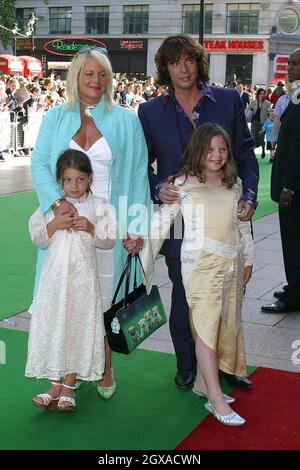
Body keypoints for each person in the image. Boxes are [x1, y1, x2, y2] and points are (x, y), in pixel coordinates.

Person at [138, 34, 258, 390]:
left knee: (227, 292)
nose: (183, 68)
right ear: (165, 68)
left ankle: (224, 365)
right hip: (179, 220)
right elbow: (140, 166)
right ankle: (188, 364)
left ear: (198, 62)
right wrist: (158, 186)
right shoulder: (149, 111)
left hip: (224, 214)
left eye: (189, 59)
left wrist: (249, 195)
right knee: (184, 293)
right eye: (175, 62)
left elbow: (247, 154)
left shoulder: (227, 100)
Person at [31, 45, 150, 400]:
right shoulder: (55, 117)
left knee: (104, 300)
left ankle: (103, 365)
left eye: (102, 74)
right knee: (68, 299)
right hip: (66, 227)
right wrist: (56, 205)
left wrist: (136, 226)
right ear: (76, 77)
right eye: (88, 74)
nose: (96, 81)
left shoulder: (127, 119)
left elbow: (138, 175)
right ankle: (65, 376)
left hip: (105, 224)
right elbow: (39, 165)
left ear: (110, 79)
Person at [141, 123, 254, 425]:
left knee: (221, 326)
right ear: (198, 150)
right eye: (210, 149)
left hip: (230, 264)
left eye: (222, 149)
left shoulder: (234, 183)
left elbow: (241, 225)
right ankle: (216, 401)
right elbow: (161, 223)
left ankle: (203, 384)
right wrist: (143, 254)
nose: (216, 155)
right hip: (200, 266)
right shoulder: (181, 183)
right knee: (204, 329)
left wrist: (249, 259)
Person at [26, 149, 117, 410]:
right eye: (67, 180)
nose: (74, 185)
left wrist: (89, 227)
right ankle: (53, 384)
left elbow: (109, 239)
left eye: (80, 179)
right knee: (57, 325)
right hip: (55, 281)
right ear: (60, 181)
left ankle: (68, 386)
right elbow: (38, 237)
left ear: (89, 178)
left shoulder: (100, 205)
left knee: (78, 326)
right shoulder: (53, 205)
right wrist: (55, 223)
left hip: (84, 283)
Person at [261, 49, 300, 314]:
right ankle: (295, 286)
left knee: (293, 239)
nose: (291, 67)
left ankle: (294, 294)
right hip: (291, 184)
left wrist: (290, 186)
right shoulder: (294, 95)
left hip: (294, 188)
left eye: (297, 64)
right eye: (290, 63)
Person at [246, 88, 272, 159]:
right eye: (261, 94)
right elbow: (247, 110)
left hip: (263, 123)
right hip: (254, 122)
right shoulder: (253, 102)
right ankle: (252, 154)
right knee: (253, 137)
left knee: (261, 138)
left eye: (263, 94)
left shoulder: (268, 103)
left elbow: (270, 113)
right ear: (258, 94)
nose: (262, 95)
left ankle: (263, 150)